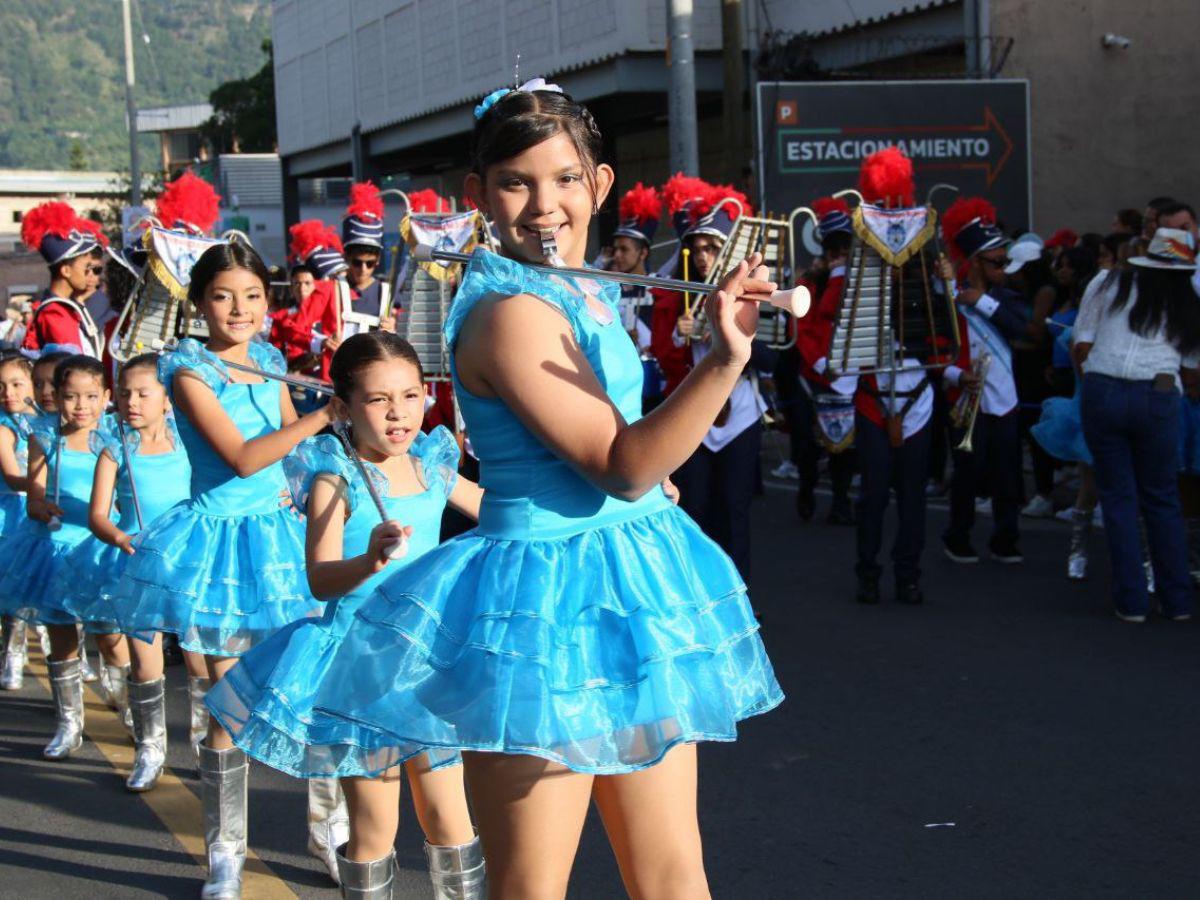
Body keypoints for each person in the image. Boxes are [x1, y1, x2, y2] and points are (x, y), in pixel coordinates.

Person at [305, 81, 782, 897]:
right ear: (478, 196)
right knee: (532, 884)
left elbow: (628, 455)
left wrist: (650, 483)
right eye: (516, 183)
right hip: (538, 607)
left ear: (599, 185)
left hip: (628, 583)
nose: (544, 206)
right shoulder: (509, 312)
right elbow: (623, 461)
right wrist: (724, 360)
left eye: (565, 179)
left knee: (673, 873)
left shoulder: (582, 288)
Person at [206, 332, 486, 897]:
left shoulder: (431, 463)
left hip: (429, 660)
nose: (399, 413)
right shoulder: (335, 475)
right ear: (346, 404)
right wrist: (370, 558)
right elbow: (319, 576)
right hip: (361, 665)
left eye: (410, 395)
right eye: (379, 400)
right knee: (375, 829)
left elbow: (499, 511)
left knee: (450, 820)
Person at [110, 240, 334, 896]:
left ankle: (329, 826)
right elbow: (241, 457)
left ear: (270, 301)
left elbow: (293, 458)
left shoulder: (270, 359)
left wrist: (322, 478)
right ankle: (225, 854)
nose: (239, 309)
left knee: (317, 682)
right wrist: (326, 413)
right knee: (228, 708)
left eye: (253, 295)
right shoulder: (186, 368)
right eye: (223, 296)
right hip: (220, 547)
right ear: (200, 302)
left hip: (283, 541)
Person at [57, 354, 192, 789]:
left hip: (188, 557)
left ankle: (210, 741)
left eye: (143, 393)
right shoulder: (116, 449)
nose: (132, 401)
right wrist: (120, 538)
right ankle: (151, 748)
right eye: (127, 393)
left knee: (200, 657)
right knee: (144, 657)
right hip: (135, 560)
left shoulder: (188, 442)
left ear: (167, 398)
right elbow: (99, 515)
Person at [1074, 227, 1200, 622]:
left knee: (1118, 498)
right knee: (1162, 500)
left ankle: (1131, 602)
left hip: (1103, 389)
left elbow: (1081, 342)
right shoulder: (1189, 304)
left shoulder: (1110, 282)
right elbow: (1193, 371)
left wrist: (1094, 385)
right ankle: (1177, 601)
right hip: (1159, 394)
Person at [651, 180, 774, 580]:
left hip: (739, 415)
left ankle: (739, 599)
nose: (703, 257)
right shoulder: (676, 295)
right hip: (694, 419)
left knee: (735, 509)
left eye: (712, 247)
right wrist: (677, 334)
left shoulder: (753, 290)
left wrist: (737, 336)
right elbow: (664, 363)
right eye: (696, 248)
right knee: (694, 508)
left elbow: (775, 359)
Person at [0, 355, 121, 756]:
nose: (80, 406)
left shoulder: (117, 436)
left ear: (106, 397)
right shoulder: (43, 435)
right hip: (54, 547)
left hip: (102, 548)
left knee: (110, 639)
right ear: (57, 396)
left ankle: (128, 708)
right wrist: (39, 507)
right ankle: (69, 722)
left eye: (90, 396)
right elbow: (34, 494)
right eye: (70, 396)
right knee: (62, 638)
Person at [939, 198, 1029, 564]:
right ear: (974, 261)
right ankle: (958, 535)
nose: (1004, 269)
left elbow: (1020, 328)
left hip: (1004, 399)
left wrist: (981, 301)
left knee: (1008, 476)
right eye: (996, 262)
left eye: (1005, 262)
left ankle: (1006, 537)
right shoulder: (947, 297)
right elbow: (933, 352)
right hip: (966, 399)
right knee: (967, 474)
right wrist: (957, 375)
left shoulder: (1005, 297)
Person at [793, 196, 858, 525]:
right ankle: (806, 487)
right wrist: (820, 365)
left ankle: (841, 501)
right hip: (813, 375)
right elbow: (803, 330)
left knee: (845, 448)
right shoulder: (812, 282)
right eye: (836, 248)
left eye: (846, 248)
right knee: (809, 446)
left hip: (849, 373)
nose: (841, 255)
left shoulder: (860, 282)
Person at [19, 202, 104, 358]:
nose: (90, 274)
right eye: (86, 267)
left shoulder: (65, 307)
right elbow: (76, 371)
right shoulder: (55, 313)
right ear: (66, 270)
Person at [610, 183, 664, 411]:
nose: (617, 255)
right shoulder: (607, 289)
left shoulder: (661, 286)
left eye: (624, 249)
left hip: (657, 386)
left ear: (643, 253)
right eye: (615, 249)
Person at [0, 353, 35, 690]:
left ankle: (74, 655)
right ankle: (11, 652)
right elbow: (13, 476)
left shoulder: (45, 421)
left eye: (16, 384)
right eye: (1, 386)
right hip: (9, 514)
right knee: (12, 589)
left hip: (41, 511)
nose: (8, 392)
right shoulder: (2, 427)